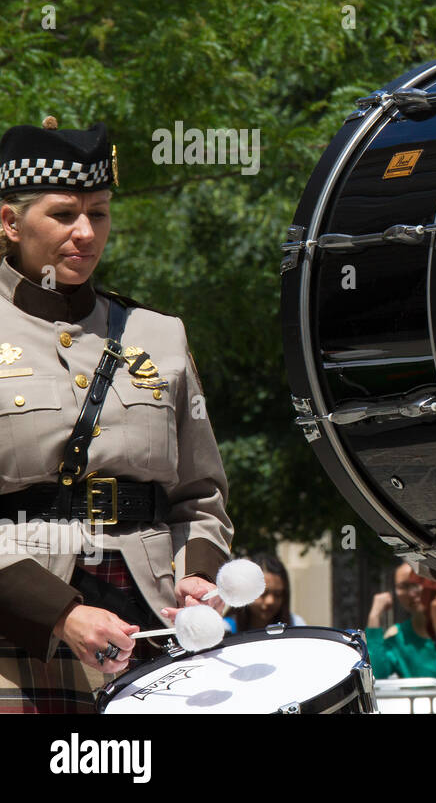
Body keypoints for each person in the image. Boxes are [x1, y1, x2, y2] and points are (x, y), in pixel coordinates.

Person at [0, 119, 232, 713]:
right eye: (62, 214)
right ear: (9, 222)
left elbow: (199, 497)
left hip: (152, 627)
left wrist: (200, 576)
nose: (85, 233)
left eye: (98, 213)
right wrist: (60, 613)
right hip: (17, 638)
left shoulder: (161, 335)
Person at [365, 562, 436, 691]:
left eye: (419, 583)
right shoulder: (397, 637)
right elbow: (375, 677)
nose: (413, 592)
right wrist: (374, 617)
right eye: (404, 586)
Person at [223, 551, 305, 633]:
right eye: (262, 593)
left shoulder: (296, 625)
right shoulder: (226, 629)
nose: (270, 601)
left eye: (278, 594)